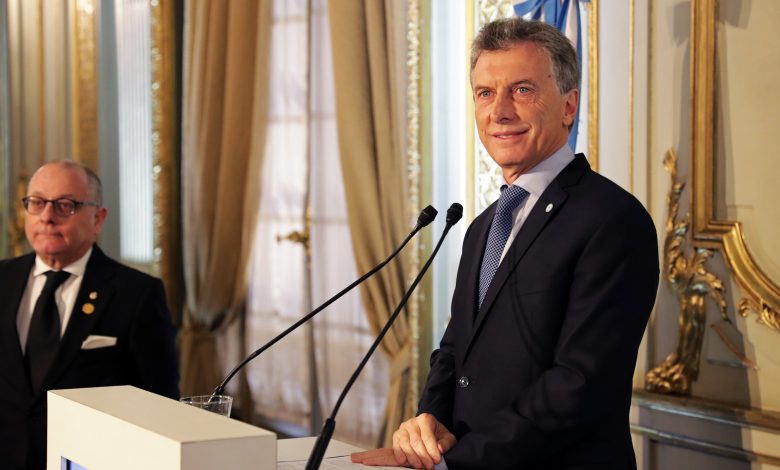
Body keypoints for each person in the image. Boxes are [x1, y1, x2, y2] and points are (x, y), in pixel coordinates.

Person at [353, 17, 659, 469]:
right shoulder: (482, 226)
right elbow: (455, 349)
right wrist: (429, 426)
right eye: (485, 93)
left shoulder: (613, 219)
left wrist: (456, 462)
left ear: (569, 106)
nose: (499, 112)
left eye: (522, 90)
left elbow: (579, 383)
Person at [0, 160, 180, 470]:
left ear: (98, 218)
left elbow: (160, 404)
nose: (47, 217)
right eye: (37, 202)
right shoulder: (4, 279)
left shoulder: (137, 294)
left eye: (65, 205)